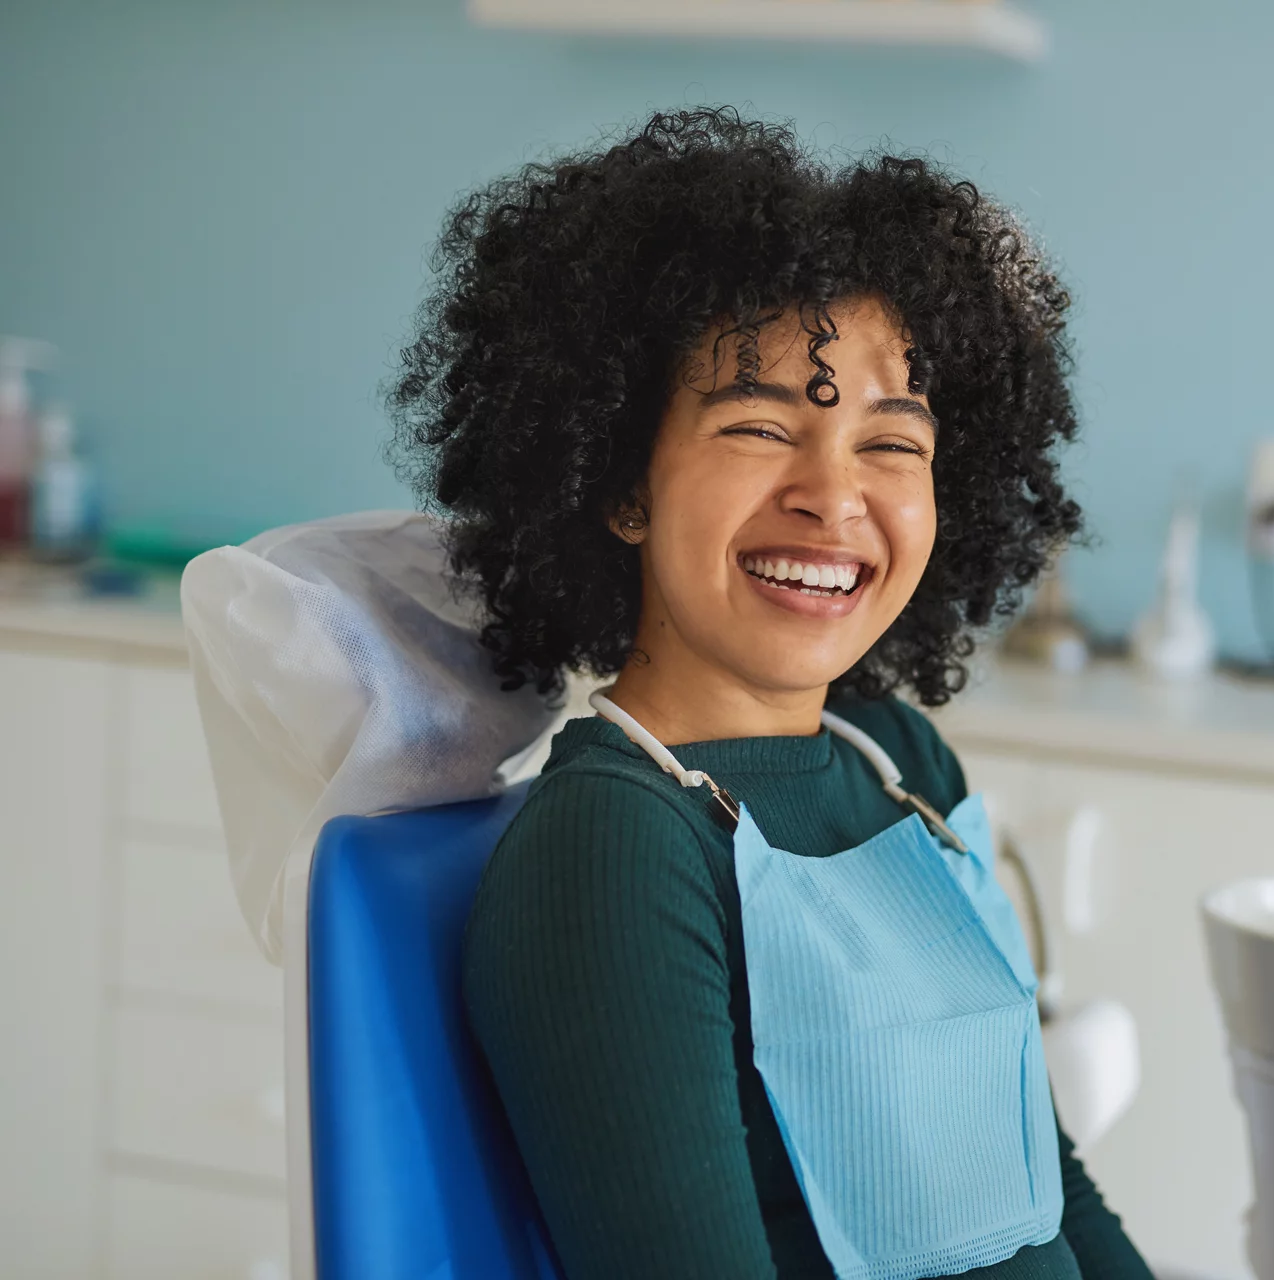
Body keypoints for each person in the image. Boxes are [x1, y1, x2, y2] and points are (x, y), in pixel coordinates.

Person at [389, 108, 1155, 1279]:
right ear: (619, 483)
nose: (832, 495)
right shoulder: (618, 844)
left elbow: (1043, 1183)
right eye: (758, 425)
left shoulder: (899, 760)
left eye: (891, 443)